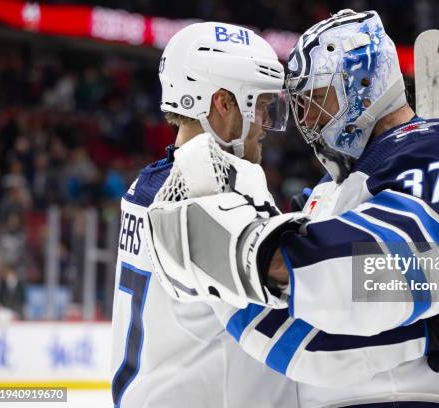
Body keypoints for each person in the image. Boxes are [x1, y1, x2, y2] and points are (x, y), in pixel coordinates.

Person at [146, 10, 439, 407]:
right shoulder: (333, 187)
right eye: (301, 104)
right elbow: (310, 334)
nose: (305, 119)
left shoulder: (433, 153)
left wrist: (257, 254)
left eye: (317, 98)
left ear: (365, 83)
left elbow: (373, 272)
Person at [109, 22, 298, 408]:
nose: (265, 124)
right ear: (224, 103)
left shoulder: (150, 184)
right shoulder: (205, 189)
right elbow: (300, 274)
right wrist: (427, 268)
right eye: (260, 104)